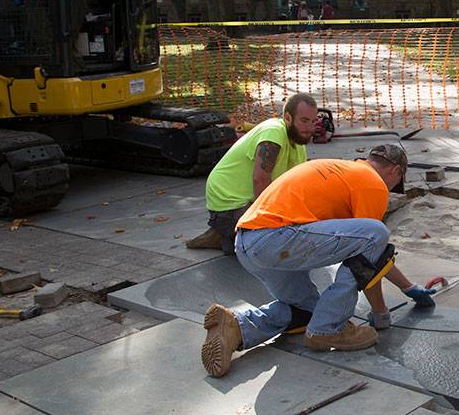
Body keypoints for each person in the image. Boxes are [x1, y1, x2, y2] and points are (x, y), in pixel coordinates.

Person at [200, 144, 437, 377]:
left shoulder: (342, 172)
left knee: (306, 311)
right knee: (377, 232)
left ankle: (235, 327)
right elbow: (371, 256)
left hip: (248, 242)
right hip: (277, 238)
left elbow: (370, 257)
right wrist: (380, 313)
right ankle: (329, 329)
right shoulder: (373, 183)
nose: (391, 187)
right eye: (396, 182)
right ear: (396, 171)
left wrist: (407, 287)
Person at [185, 93, 319, 255]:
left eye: (313, 121)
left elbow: (296, 188)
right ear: (288, 117)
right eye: (304, 121)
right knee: (275, 243)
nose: (310, 128)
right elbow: (260, 180)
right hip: (229, 203)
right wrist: (272, 223)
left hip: (249, 201)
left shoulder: (299, 145)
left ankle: (228, 236)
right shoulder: (274, 132)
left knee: (297, 229)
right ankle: (224, 234)